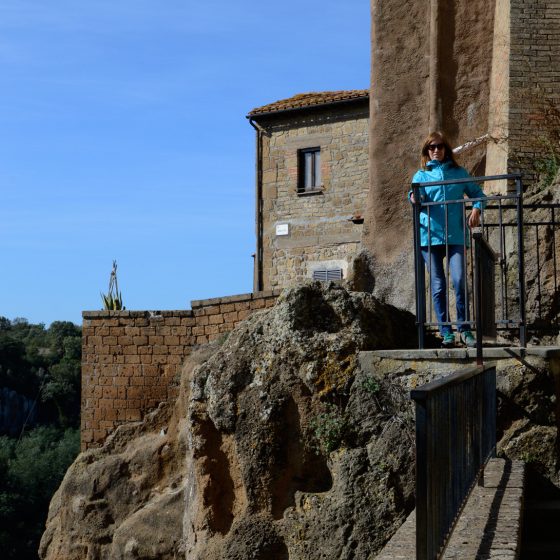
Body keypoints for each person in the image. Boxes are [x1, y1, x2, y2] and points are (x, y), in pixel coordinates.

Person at [409, 131, 486, 348]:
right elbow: (414, 196)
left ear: (446, 149)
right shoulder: (421, 175)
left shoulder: (459, 172)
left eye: (440, 146)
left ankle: (464, 330)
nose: (436, 150)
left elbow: (478, 194)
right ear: (426, 151)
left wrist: (477, 209)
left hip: (455, 237)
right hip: (429, 237)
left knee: (459, 280)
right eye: (431, 147)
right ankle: (446, 332)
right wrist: (414, 197)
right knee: (438, 286)